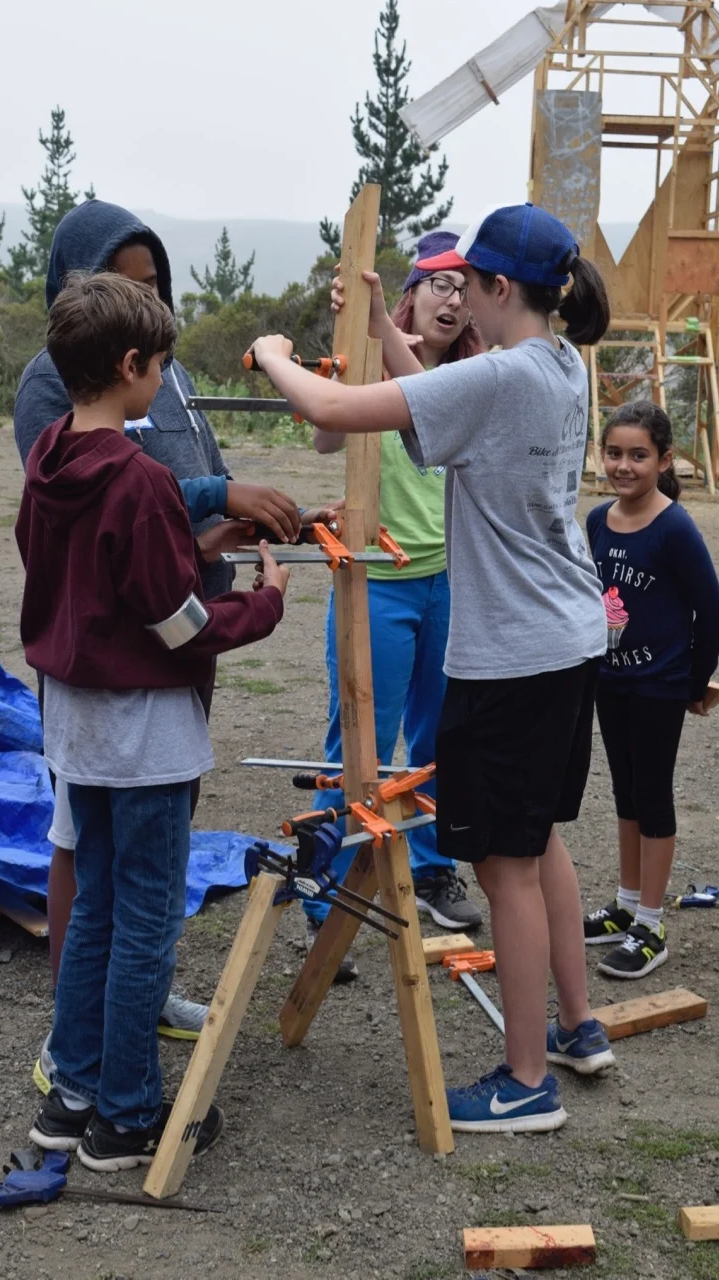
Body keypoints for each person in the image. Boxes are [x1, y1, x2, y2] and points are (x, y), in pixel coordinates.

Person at [245, 202, 618, 1133]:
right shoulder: (558, 362)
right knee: (538, 844)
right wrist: (380, 326)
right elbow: (443, 410)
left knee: (505, 866)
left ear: (499, 288)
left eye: (469, 286)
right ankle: (577, 1025)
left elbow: (330, 407)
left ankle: (524, 1080)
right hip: (565, 640)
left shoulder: (498, 374)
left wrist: (273, 351)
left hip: (514, 656)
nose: (459, 301)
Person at [13, 199, 304, 1047]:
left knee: (141, 864)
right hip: (127, 660)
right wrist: (256, 590)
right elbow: (119, 503)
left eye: (154, 285)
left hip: (161, 650)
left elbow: (169, 486)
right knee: (100, 864)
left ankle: (119, 1016)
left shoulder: (161, 371)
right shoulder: (51, 385)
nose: (151, 304)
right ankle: (98, 1050)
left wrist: (213, 526)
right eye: (124, 283)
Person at [305, 231, 485, 982]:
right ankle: (327, 894)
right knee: (359, 735)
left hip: (451, 579)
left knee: (443, 734)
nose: (452, 299)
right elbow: (322, 434)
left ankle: (433, 866)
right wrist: (359, 341)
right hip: (378, 577)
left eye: (464, 288)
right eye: (440, 284)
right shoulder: (378, 361)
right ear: (409, 290)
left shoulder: (478, 375)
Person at [584, 400, 719, 978]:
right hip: (609, 681)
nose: (624, 465)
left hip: (661, 685)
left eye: (639, 455)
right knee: (625, 793)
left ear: (664, 461)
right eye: (614, 453)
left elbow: (710, 610)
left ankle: (652, 924)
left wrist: (696, 681)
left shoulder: (676, 528)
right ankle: (625, 903)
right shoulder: (595, 521)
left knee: (654, 796)